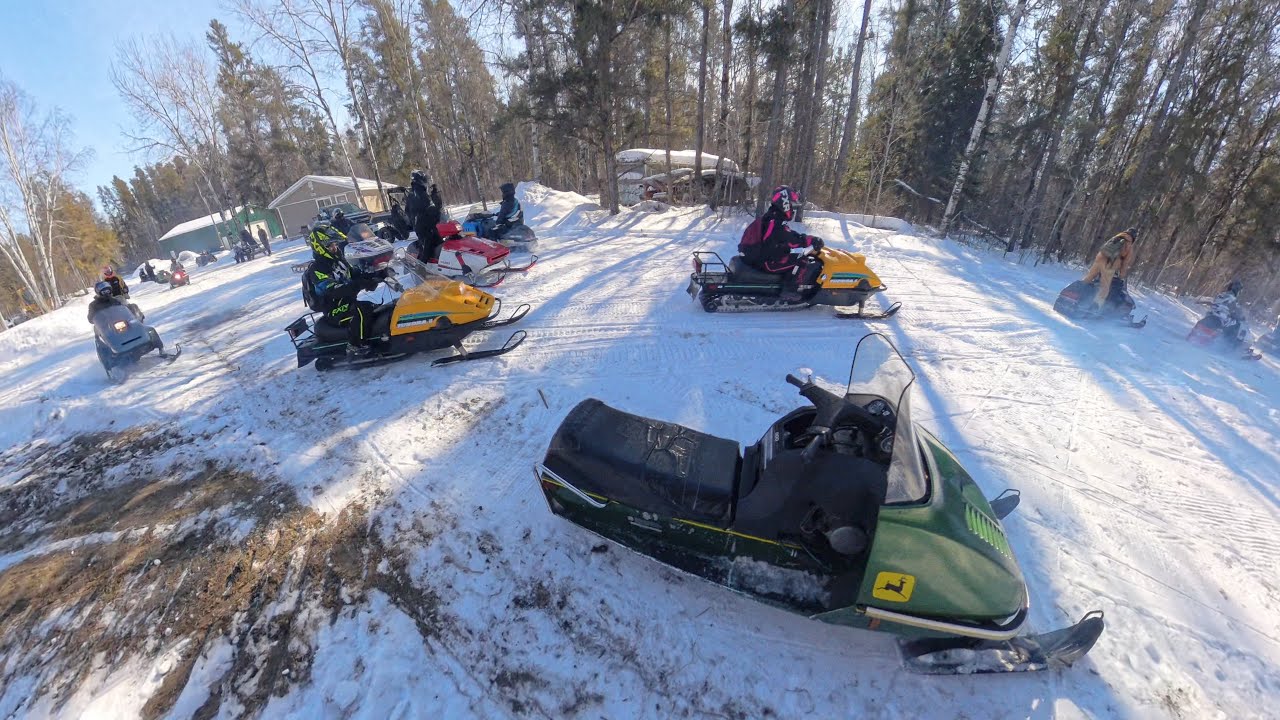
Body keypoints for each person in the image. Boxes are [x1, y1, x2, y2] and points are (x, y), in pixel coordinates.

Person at [737, 185, 824, 302]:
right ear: (785, 203)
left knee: (793, 257)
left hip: (763, 257)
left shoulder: (771, 218)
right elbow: (790, 239)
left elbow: (783, 237)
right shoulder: (775, 222)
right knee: (802, 260)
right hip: (767, 261)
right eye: (792, 205)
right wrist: (811, 240)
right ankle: (789, 291)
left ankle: (782, 284)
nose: (793, 209)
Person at [304, 223, 379, 354]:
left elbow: (354, 274)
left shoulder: (338, 261)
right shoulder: (316, 269)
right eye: (330, 246)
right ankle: (355, 346)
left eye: (335, 244)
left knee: (375, 308)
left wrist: (375, 274)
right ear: (320, 247)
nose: (335, 248)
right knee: (362, 310)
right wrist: (358, 284)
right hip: (333, 309)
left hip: (347, 302)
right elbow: (333, 290)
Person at [1081, 227, 1137, 311]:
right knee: (1105, 288)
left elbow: (1103, 248)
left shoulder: (1116, 237)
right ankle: (1094, 307)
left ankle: (1077, 294)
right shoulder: (1128, 244)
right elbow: (1125, 264)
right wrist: (1121, 276)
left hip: (1099, 259)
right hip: (1110, 264)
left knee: (1088, 279)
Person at [406, 170, 443, 265]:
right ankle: (421, 268)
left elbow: (432, 206)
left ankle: (440, 265)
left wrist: (435, 195)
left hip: (430, 225)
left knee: (440, 243)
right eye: (424, 179)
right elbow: (425, 207)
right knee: (427, 248)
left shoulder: (421, 192)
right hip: (422, 227)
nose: (425, 182)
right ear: (418, 180)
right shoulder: (415, 193)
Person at [1207, 279, 1249, 345]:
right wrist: (1241, 317)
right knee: (1236, 324)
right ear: (1237, 290)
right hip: (1221, 318)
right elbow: (1236, 310)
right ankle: (1228, 345)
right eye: (1239, 291)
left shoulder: (1221, 294)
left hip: (1212, 314)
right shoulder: (1231, 298)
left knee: (1231, 322)